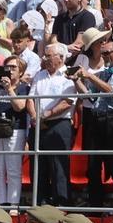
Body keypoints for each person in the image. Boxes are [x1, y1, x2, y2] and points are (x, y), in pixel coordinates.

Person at [74, 30, 113, 209]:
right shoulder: (103, 73)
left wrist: (90, 76)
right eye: (103, 53)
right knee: (93, 164)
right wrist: (77, 81)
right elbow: (90, 96)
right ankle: (95, 205)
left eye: (108, 53)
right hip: (96, 118)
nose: (105, 56)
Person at [29, 46, 76, 205]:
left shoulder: (69, 74)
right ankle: (40, 201)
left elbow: (68, 101)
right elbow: (31, 98)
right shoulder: (39, 75)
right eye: (45, 56)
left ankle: (61, 203)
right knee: (38, 165)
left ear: (60, 58)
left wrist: (47, 114)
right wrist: (35, 116)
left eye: (49, 56)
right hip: (38, 124)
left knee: (59, 166)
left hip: (59, 123)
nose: (45, 59)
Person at [0, 55, 32, 207]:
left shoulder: (24, 88)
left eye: (13, 68)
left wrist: (9, 88)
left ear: (21, 72)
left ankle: (13, 205)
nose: (10, 71)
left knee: (13, 170)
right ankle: (0, 204)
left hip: (15, 129)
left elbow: (19, 106)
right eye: (7, 68)